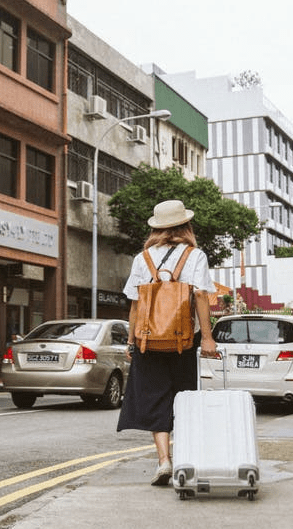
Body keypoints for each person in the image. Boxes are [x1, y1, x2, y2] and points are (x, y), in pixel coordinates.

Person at [117, 200, 217, 486]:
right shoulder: (195, 255)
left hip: (148, 340)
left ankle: (164, 460)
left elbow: (135, 303)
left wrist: (131, 341)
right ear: (185, 226)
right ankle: (184, 457)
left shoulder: (143, 258)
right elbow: (200, 296)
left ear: (157, 228)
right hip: (182, 340)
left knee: (153, 397)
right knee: (182, 398)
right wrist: (208, 338)